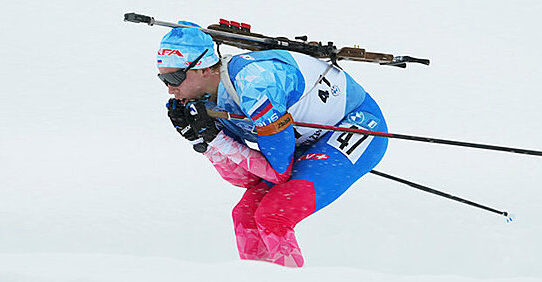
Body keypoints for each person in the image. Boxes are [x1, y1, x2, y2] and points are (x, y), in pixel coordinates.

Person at [157, 22, 388, 267]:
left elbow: (278, 172)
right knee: (245, 216)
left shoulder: (255, 85)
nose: (171, 89)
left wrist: (217, 139)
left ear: (203, 69)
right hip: (304, 140)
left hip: (357, 124)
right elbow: (246, 179)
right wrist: (203, 142)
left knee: (274, 215)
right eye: (163, 80)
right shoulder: (206, 101)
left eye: (175, 77)